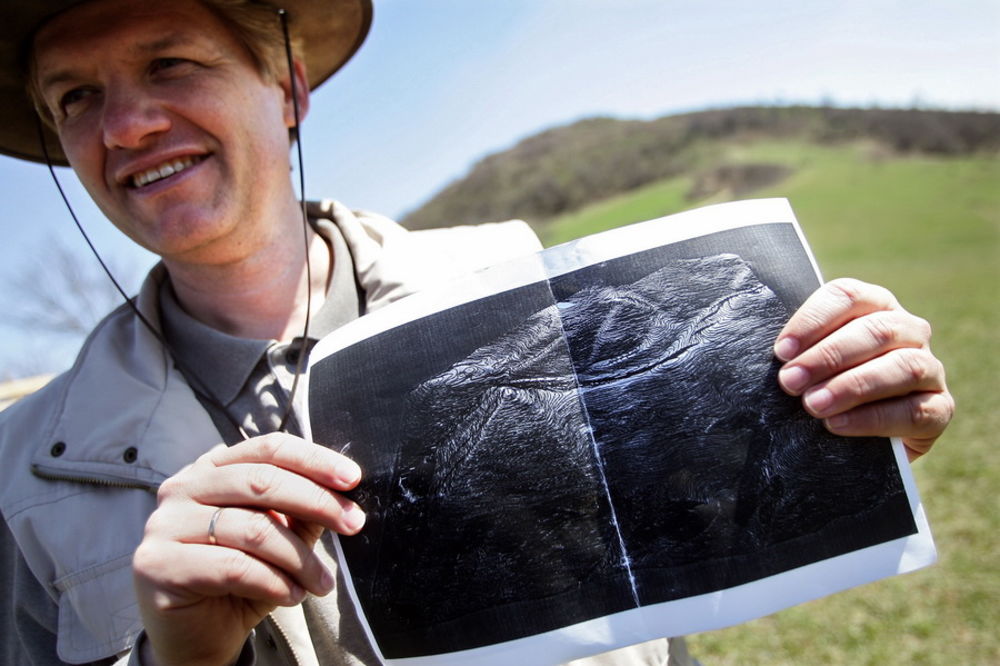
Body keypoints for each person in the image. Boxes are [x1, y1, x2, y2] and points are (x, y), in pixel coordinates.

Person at [0, 1, 954, 665]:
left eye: (171, 62)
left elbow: (699, 503)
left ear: (288, 90)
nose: (124, 125)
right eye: (75, 97)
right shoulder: (25, 469)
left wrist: (842, 422)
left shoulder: (527, 287)